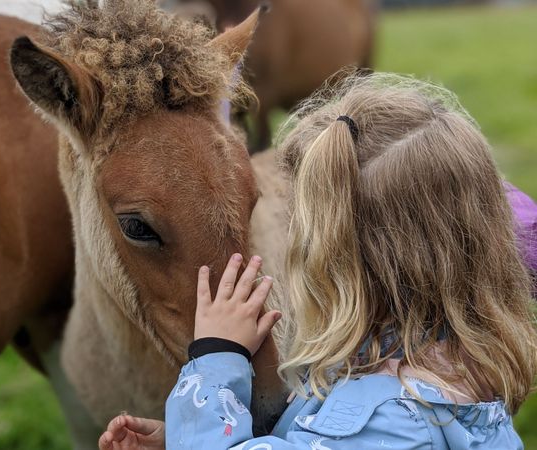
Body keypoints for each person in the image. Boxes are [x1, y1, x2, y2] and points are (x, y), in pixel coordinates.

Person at [99, 73, 537, 449]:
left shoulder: (390, 423)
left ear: (341, 267)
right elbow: (316, 431)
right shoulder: (432, 352)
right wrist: (187, 435)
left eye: (303, 238)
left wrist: (216, 362)